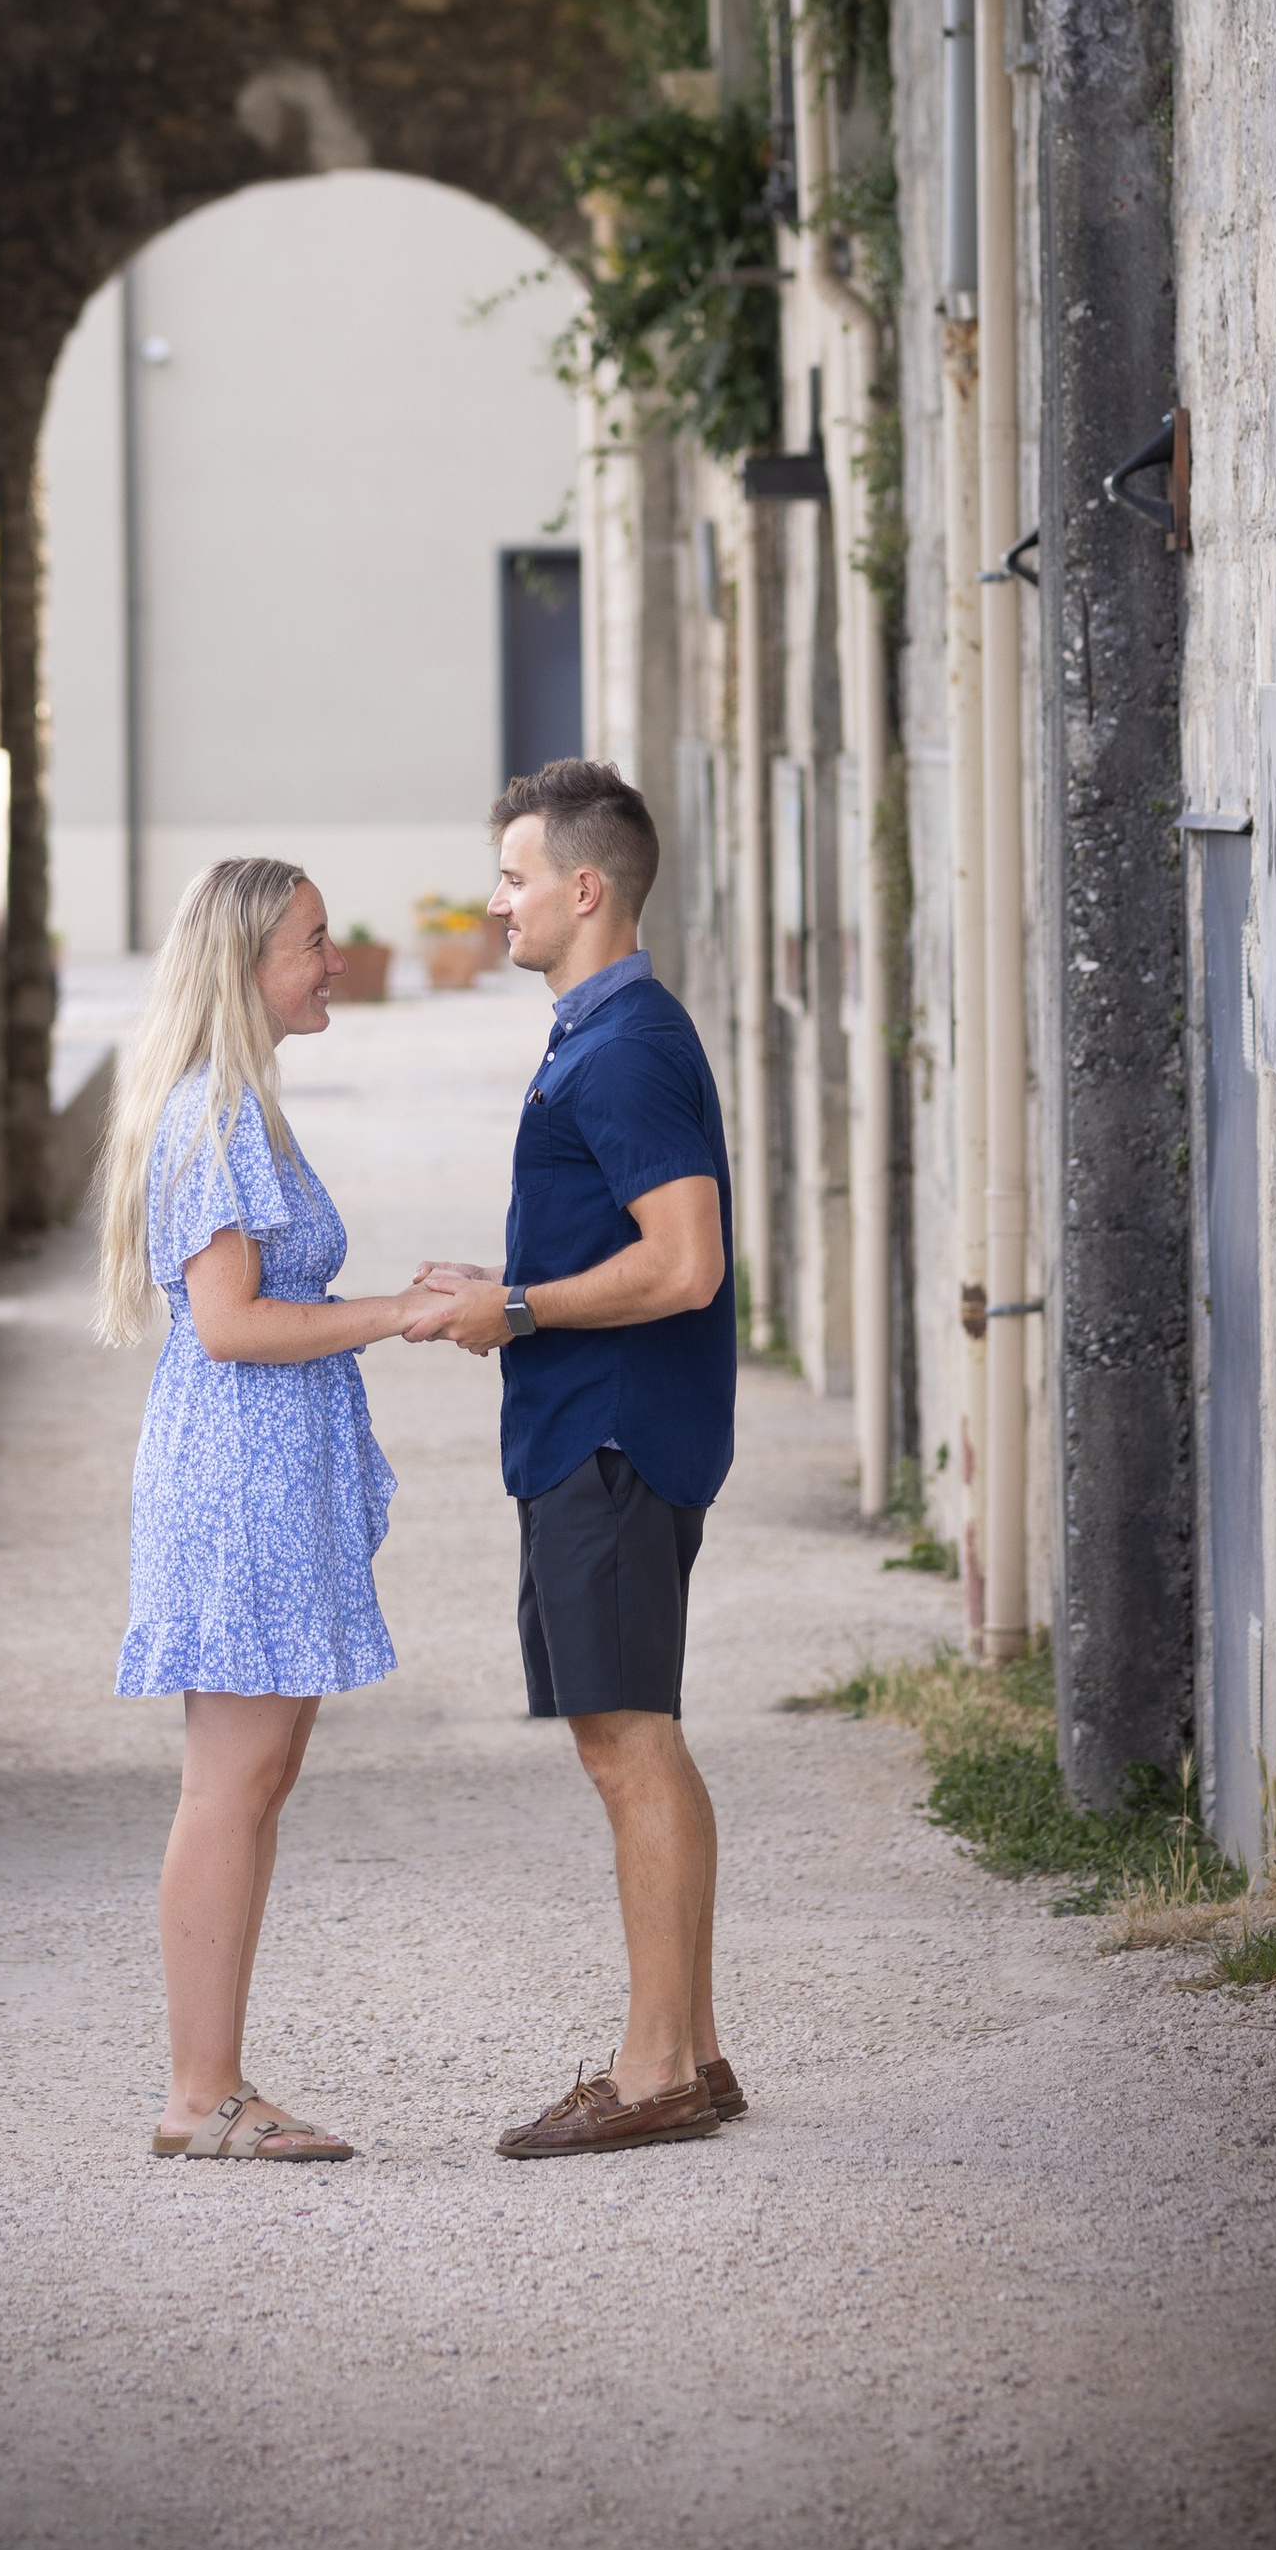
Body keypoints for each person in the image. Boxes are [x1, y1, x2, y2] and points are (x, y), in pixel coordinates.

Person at [414, 759, 742, 2159]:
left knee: (627, 1742)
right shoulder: (605, 1033)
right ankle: (698, 2048)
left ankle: (656, 2063)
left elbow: (685, 1262)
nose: (498, 901)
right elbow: (631, 1242)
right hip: (599, 1423)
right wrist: (512, 1284)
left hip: (610, 1436)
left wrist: (524, 1307)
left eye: (515, 876)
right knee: (636, 1734)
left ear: (585, 887)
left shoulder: (619, 1048)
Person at [97, 854, 437, 2165]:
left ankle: (219, 2081)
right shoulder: (216, 1114)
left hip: (261, 1465)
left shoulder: (238, 1105)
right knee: (231, 1781)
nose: (334, 958)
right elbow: (233, 1323)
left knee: (256, 1777)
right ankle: (202, 2091)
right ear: (248, 963)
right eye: (313, 940)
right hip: (237, 1470)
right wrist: (396, 1314)